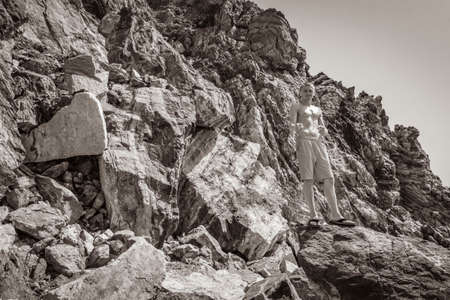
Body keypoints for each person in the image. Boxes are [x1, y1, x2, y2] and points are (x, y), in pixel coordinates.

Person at [288, 82, 356, 228]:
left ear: (314, 93)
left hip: (319, 143)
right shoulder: (296, 106)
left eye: (310, 91)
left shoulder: (318, 110)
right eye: (305, 91)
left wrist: (324, 131)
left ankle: (336, 215)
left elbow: (323, 128)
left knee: (329, 178)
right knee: (308, 179)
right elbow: (291, 125)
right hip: (304, 141)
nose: (308, 93)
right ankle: (313, 216)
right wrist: (295, 128)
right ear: (300, 92)